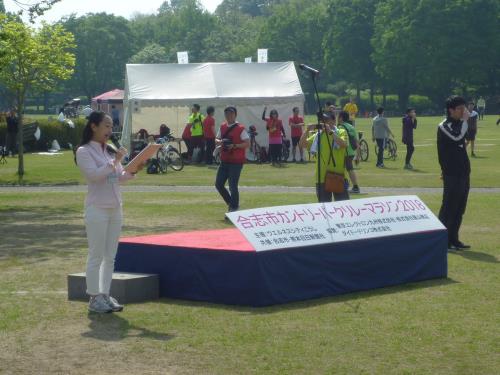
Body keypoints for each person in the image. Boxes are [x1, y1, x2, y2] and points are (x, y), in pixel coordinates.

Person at [75, 111, 144, 313]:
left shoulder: (110, 150)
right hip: (97, 208)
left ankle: (105, 294)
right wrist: (115, 161)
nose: (109, 129)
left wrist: (132, 170)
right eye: (106, 125)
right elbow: (94, 176)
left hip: (115, 208)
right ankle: (94, 297)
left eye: (111, 126)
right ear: (93, 126)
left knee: (110, 256)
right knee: (96, 255)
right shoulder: (84, 151)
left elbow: (115, 178)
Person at [437, 96, 471, 251]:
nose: (464, 112)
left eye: (464, 108)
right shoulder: (444, 126)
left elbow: (465, 138)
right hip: (451, 172)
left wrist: (465, 122)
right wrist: (465, 121)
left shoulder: (460, 124)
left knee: (460, 208)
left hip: (463, 171)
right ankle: (443, 242)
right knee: (449, 207)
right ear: (451, 110)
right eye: (460, 109)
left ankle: (454, 239)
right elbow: (457, 136)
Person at [299, 112, 349, 202]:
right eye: (322, 120)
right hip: (321, 177)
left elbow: (343, 144)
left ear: (334, 121)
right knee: (324, 208)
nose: (323, 122)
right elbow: (302, 144)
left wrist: (330, 132)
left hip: (338, 176)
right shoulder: (318, 135)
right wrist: (307, 131)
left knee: (343, 206)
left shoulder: (341, 132)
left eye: (326, 120)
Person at [215, 106, 250, 216]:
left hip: (236, 161)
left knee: (232, 185)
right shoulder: (222, 126)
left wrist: (234, 145)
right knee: (218, 184)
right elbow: (216, 139)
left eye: (231, 114)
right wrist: (220, 142)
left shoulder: (240, 128)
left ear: (235, 115)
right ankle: (232, 204)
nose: (229, 116)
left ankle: (233, 209)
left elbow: (247, 143)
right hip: (225, 160)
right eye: (227, 114)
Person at [337, 111, 361, 194]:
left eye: (338, 116)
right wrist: (358, 155)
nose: (337, 118)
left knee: (348, 169)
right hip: (351, 152)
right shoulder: (351, 127)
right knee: (349, 169)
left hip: (344, 152)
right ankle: (351, 186)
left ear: (341, 118)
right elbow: (357, 142)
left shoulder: (340, 127)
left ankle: (355, 187)